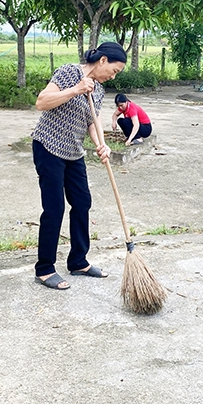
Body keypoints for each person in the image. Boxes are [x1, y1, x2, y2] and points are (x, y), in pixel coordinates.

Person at [30, 42, 127, 290]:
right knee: (54, 208)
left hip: (74, 151)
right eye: (114, 70)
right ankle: (44, 269)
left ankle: (78, 261)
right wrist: (75, 89)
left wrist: (101, 144)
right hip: (48, 146)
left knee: (82, 202)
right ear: (103, 60)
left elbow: (92, 121)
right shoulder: (68, 72)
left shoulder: (99, 90)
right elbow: (42, 101)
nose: (113, 76)